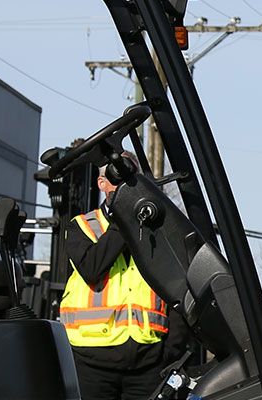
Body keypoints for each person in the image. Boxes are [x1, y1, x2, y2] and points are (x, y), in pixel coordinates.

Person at [60, 160, 181, 400]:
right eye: (119, 179)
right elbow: (92, 268)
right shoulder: (83, 226)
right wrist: (124, 221)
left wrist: (172, 350)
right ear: (102, 183)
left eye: (131, 180)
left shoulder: (157, 232)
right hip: (92, 360)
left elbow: (177, 286)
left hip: (147, 362)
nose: (127, 186)